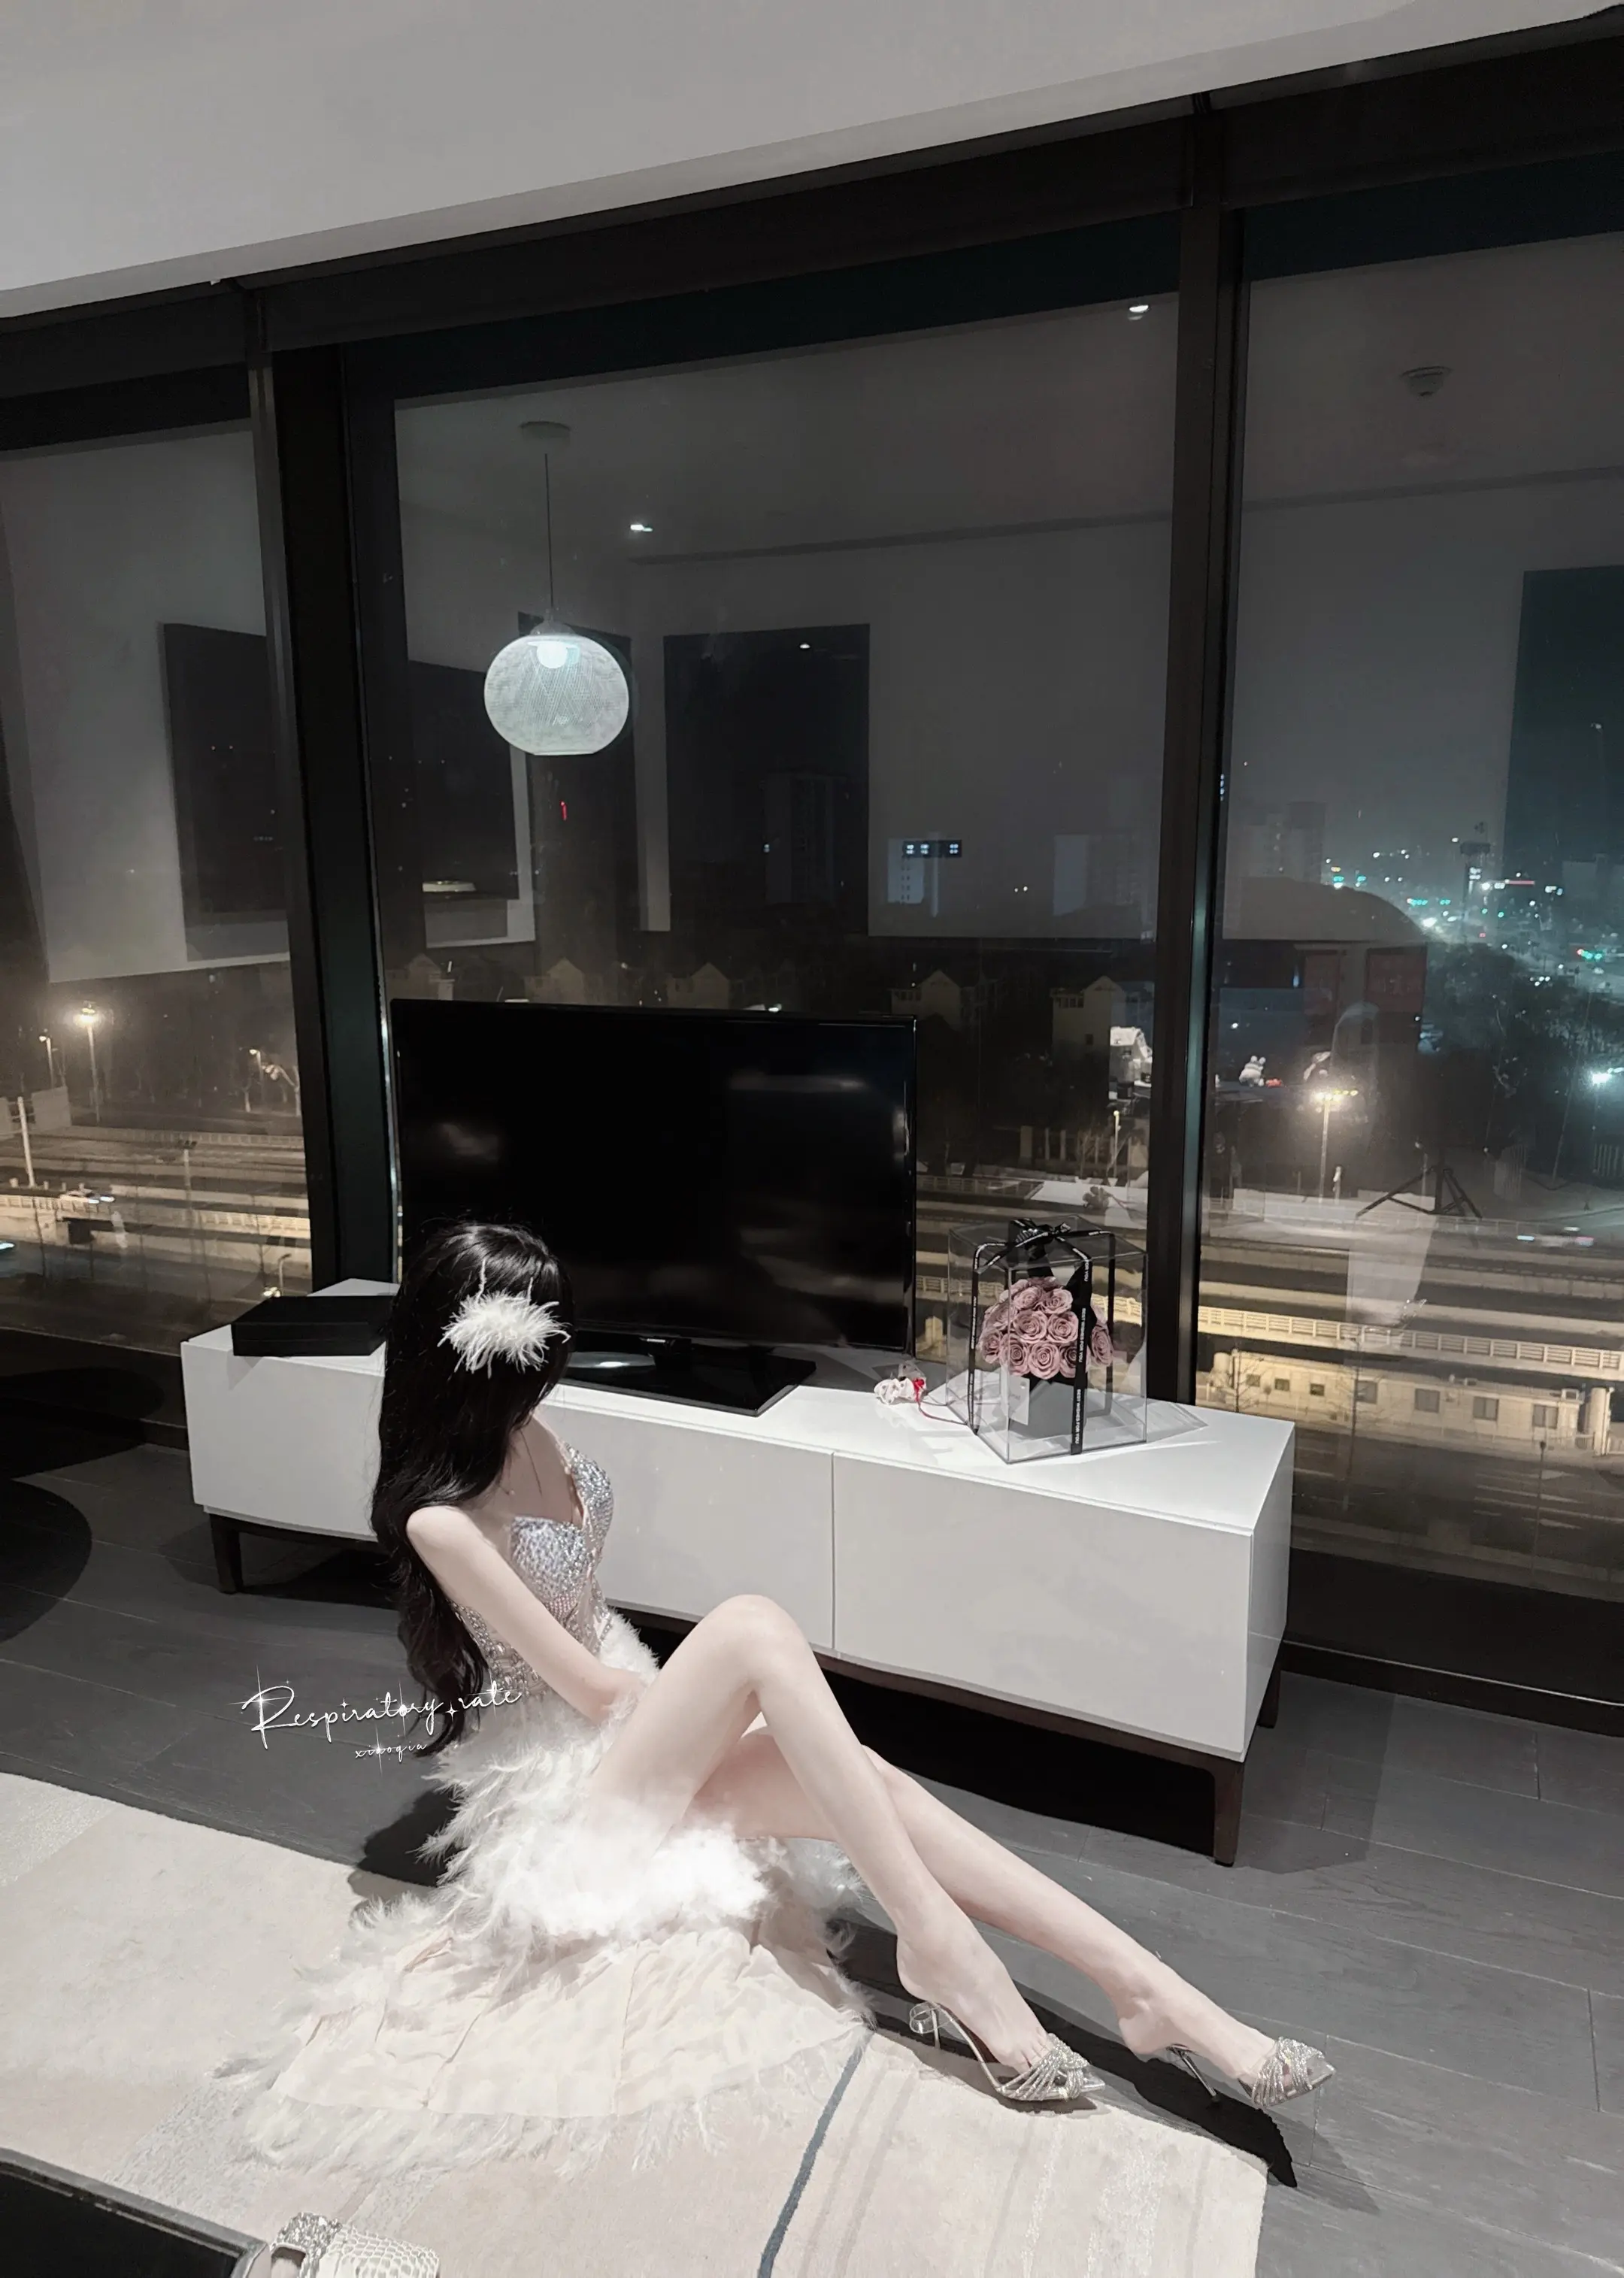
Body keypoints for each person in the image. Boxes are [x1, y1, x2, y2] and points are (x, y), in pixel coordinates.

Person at [237, 1221, 1328, 2177]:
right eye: (534, 1347)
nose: (553, 1364)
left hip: (644, 1736)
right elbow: (591, 1687)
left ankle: (1152, 1993)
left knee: (871, 1782)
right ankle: (943, 1948)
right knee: (758, 1629)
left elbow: (612, 1639)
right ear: (467, 1360)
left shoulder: (532, 1431)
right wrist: (732, 1703)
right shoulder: (440, 1520)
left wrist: (735, 1714)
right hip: (576, 1791)